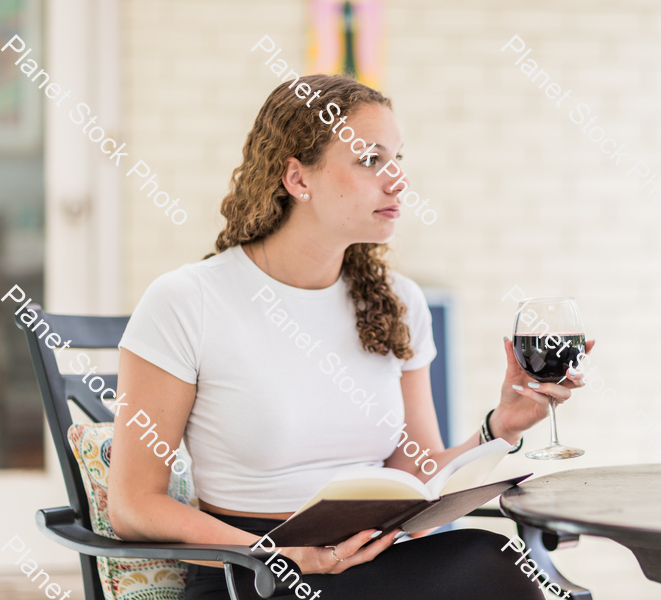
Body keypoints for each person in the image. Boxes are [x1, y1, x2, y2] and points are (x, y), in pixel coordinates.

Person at [107, 74, 591, 600]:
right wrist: (280, 556)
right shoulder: (186, 301)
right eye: (370, 160)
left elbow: (417, 474)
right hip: (253, 571)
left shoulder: (397, 301)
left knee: (494, 562)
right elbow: (134, 504)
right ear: (298, 178)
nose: (397, 181)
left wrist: (502, 426)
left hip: (372, 559)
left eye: (398, 160)